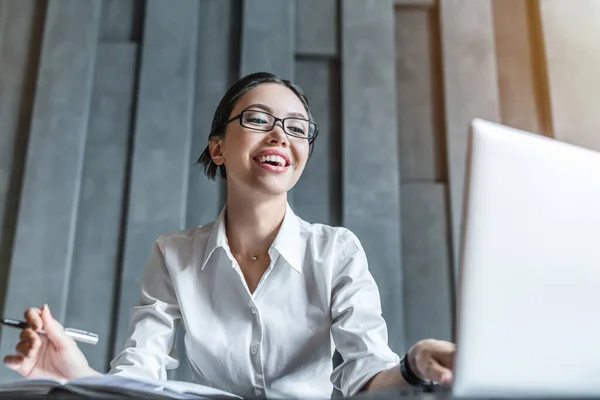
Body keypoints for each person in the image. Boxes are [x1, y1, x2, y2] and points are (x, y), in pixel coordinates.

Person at [3, 72, 455, 398]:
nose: (281, 135)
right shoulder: (173, 255)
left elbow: (367, 375)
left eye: (297, 128)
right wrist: (76, 374)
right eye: (259, 120)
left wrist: (414, 366)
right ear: (217, 147)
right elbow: (140, 373)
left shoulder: (336, 251)